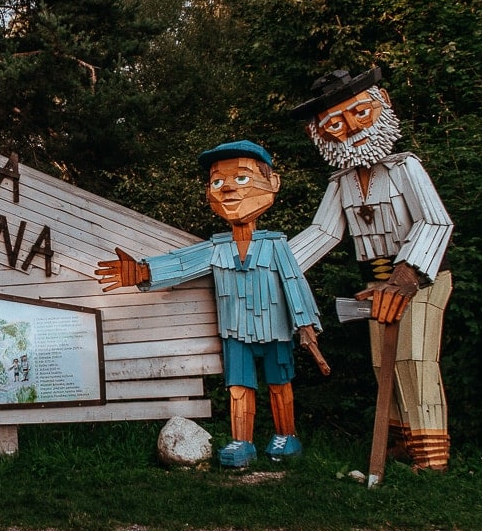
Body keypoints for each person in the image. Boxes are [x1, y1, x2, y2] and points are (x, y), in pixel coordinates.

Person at [97, 141, 324, 468]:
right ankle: (241, 442)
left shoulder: (276, 244)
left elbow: (294, 283)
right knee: (238, 387)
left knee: (279, 382)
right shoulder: (216, 247)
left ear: (272, 184)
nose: (228, 187)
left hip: (276, 331)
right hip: (235, 332)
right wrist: (142, 272)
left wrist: (305, 325)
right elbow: (181, 264)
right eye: (218, 182)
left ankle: (286, 436)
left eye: (241, 179)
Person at [288, 66, 454, 471]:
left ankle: (431, 455)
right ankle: (400, 442)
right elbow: (322, 234)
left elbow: (435, 221)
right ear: (317, 133)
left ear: (382, 105)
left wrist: (405, 278)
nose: (348, 129)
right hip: (375, 285)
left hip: (419, 279)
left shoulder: (404, 167)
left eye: (359, 114)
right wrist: (271, 266)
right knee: (385, 364)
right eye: (333, 124)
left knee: (415, 360)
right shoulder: (341, 182)